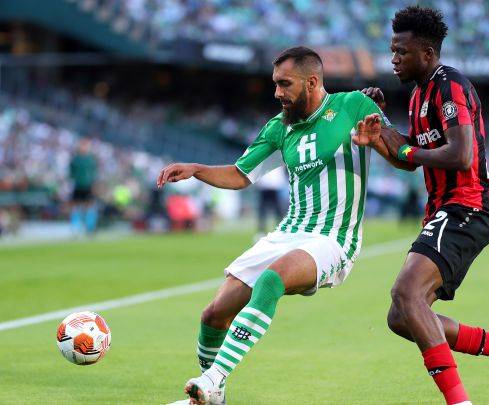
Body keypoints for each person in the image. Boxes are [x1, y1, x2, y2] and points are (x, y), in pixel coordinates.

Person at [157, 46, 404, 405]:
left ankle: (213, 378)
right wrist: (196, 169)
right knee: (214, 314)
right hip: (288, 232)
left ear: (312, 82)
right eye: (275, 84)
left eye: (285, 84)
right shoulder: (279, 127)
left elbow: (405, 159)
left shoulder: (354, 105)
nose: (277, 93)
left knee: (271, 280)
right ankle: (214, 397)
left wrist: (377, 141)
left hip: (333, 238)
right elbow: (241, 174)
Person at [353, 7, 489, 404]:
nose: (393, 59)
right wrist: (379, 129)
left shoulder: (449, 84)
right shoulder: (418, 95)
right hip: (445, 210)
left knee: (407, 294)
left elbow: (460, 155)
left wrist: (404, 148)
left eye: (401, 52)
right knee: (402, 317)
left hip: (467, 207)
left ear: (427, 53)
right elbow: (408, 160)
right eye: (392, 51)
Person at [68, 138, 99, 236]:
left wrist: (94, 187)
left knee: (89, 206)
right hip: (78, 186)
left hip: (88, 186)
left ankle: (90, 228)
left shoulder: (91, 160)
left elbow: (94, 175)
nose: (84, 147)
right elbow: (71, 174)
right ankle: (75, 228)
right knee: (76, 207)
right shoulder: (75, 160)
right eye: (83, 145)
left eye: (86, 146)